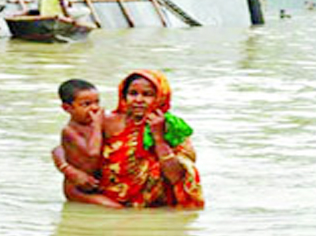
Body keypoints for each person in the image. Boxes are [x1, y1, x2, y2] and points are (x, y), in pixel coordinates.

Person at [99, 70, 203, 209]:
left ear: (160, 97)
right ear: (124, 95)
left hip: (156, 206)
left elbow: (177, 178)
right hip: (113, 204)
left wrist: (158, 138)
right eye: (133, 93)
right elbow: (83, 156)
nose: (138, 100)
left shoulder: (173, 128)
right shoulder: (107, 122)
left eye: (147, 94)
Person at [51, 79, 123, 208]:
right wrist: (97, 126)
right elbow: (92, 153)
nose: (94, 108)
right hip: (78, 189)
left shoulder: (99, 123)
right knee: (115, 208)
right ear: (67, 108)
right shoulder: (70, 131)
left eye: (97, 102)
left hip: (97, 183)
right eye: (86, 104)